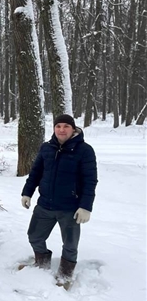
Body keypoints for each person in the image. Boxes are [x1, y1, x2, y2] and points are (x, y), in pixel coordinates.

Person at [20, 114, 97, 289]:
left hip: (70, 207)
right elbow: (36, 172)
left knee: (70, 244)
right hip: (45, 204)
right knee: (34, 236)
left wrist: (85, 206)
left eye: (66, 126)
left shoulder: (84, 150)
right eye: (58, 126)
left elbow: (90, 180)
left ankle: (65, 273)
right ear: (54, 128)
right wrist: (27, 193)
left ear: (73, 129)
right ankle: (42, 262)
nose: (62, 130)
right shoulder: (46, 148)